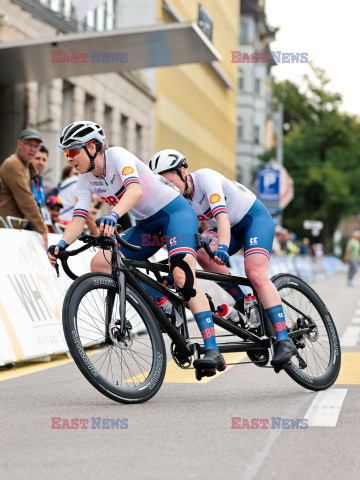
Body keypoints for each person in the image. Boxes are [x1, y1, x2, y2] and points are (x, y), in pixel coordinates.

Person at [47, 121, 226, 373]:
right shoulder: (85, 180)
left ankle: (212, 350)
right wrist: (61, 244)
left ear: (91, 147)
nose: (69, 159)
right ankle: (163, 302)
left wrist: (113, 214)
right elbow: (78, 218)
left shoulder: (117, 156)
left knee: (181, 275)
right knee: (100, 263)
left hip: (175, 213)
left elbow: (135, 190)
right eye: (66, 153)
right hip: (147, 225)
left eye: (71, 152)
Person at [148, 149, 297, 370]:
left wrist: (224, 247)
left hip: (252, 219)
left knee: (254, 272)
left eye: (170, 181)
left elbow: (223, 217)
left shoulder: (205, 178)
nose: (169, 189)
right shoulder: (179, 200)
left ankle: (284, 339)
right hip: (224, 229)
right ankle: (245, 300)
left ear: (183, 171)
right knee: (198, 252)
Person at [0, 128, 48, 249]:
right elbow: (26, 200)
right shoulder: (13, 164)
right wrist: (43, 229)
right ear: (19, 144)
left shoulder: (28, 167)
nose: (32, 149)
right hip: (5, 228)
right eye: (29, 144)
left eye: (36, 146)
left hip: (14, 228)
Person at [32, 145, 51, 223]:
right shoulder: (25, 177)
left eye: (44, 160)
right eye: (37, 158)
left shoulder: (39, 181)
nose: (41, 162)